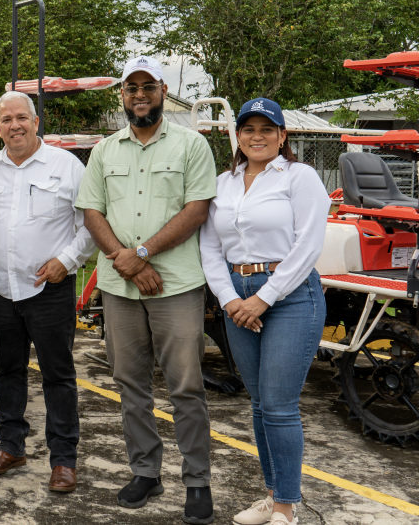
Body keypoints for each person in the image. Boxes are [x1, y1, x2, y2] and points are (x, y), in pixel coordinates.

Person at [74, 55, 218, 525]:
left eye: (148, 86)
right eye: (130, 87)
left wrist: (145, 252)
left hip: (175, 284)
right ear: (122, 94)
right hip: (120, 285)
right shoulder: (104, 150)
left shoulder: (191, 145)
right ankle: (145, 472)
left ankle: (196, 480)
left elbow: (197, 209)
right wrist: (128, 261)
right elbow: (91, 211)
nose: (139, 94)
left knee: (186, 386)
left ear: (162, 90)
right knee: (130, 385)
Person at [199, 98, 329, 525]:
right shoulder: (224, 183)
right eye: (249, 128)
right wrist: (230, 299)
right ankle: (272, 496)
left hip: (290, 296)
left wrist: (264, 298)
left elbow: (307, 246)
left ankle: (287, 509)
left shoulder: (300, 177)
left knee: (279, 405)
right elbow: (210, 248)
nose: (258, 136)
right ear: (237, 136)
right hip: (238, 295)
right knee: (258, 405)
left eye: (267, 129)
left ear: (282, 135)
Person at [0, 91, 96, 492]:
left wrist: (67, 262)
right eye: (6, 120)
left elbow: (90, 224)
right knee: (7, 369)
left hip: (50, 288)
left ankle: (63, 460)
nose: (14, 126)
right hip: (2, 288)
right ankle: (11, 446)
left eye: (21, 117)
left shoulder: (66, 166)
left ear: (36, 121)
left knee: (58, 374)